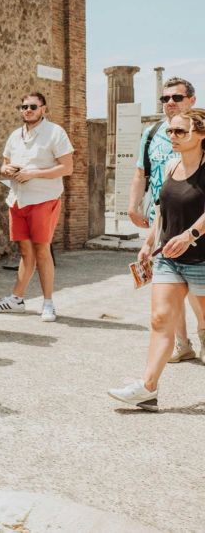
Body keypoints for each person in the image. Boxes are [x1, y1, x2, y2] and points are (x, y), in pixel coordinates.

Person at [109, 109, 205, 411]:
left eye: (181, 132)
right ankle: (148, 389)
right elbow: (163, 209)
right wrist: (150, 241)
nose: (173, 137)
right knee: (160, 319)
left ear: (201, 134)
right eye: (171, 132)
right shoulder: (172, 164)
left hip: (201, 258)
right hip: (169, 258)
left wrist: (190, 235)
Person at [127, 77, 205, 362]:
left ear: (191, 100)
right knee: (171, 290)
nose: (170, 103)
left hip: (194, 214)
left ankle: (202, 334)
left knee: (196, 289)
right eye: (165, 99)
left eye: (177, 98)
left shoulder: (197, 129)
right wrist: (133, 205)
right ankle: (181, 343)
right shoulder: (151, 133)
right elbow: (140, 172)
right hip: (163, 213)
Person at [0, 92, 74, 322]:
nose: (27, 110)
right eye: (24, 106)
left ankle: (48, 303)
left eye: (33, 106)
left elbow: (67, 168)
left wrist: (34, 173)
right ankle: (17, 299)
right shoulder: (16, 135)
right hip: (17, 199)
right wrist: (6, 169)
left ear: (43, 109)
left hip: (43, 199)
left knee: (42, 250)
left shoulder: (55, 132)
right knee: (25, 252)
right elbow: (5, 163)